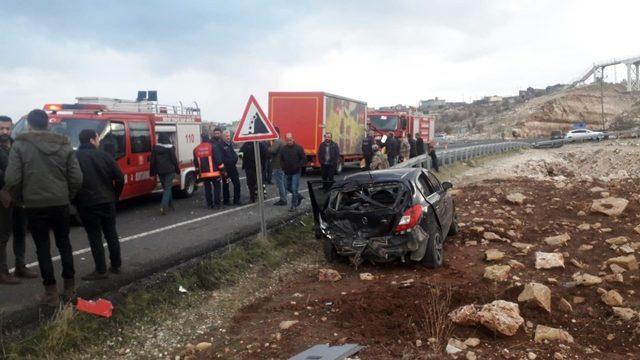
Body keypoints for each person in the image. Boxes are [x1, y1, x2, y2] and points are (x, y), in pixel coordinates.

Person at [1, 109, 83, 304]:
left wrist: (20, 198)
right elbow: (77, 178)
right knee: (64, 244)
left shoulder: (20, 145)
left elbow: (12, 179)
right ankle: (70, 288)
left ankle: (51, 292)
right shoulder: (64, 144)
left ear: (29, 125)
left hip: (34, 204)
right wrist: (67, 195)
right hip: (61, 202)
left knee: (43, 247)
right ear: (48, 124)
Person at [74, 129, 125, 280]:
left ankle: (101, 270)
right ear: (91, 140)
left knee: (95, 237)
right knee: (111, 233)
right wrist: (115, 195)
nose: (99, 141)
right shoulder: (104, 155)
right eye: (97, 138)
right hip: (107, 201)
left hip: (87, 203)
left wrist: (74, 200)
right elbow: (120, 178)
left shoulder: (74, 157)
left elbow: (70, 180)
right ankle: (116, 265)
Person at [0, 116, 37, 285]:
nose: (5, 132)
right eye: (1, 129)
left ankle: (20, 266)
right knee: (3, 235)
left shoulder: (15, 144)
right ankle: (2, 272)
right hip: (3, 198)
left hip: (20, 196)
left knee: (21, 231)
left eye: (8, 128)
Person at [150, 133, 180, 215]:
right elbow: (174, 160)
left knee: (166, 188)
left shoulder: (155, 148)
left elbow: (152, 162)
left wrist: (152, 174)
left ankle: (171, 205)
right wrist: (178, 170)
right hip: (170, 171)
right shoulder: (170, 148)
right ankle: (163, 206)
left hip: (160, 171)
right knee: (167, 188)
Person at [193, 134, 225, 209]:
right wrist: (223, 170)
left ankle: (209, 204)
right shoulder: (213, 147)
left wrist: (198, 175)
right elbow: (218, 160)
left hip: (204, 174)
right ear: (209, 139)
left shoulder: (196, 149)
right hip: (215, 173)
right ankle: (217, 204)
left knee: (207, 189)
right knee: (217, 189)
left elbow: (196, 163)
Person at [279, 133, 306, 211]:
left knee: (294, 189)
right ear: (285, 140)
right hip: (287, 172)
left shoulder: (299, 148)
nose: (289, 141)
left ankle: (293, 206)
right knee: (287, 187)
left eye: (290, 139)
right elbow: (281, 159)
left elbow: (304, 159)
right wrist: (283, 167)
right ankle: (299, 196)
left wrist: (298, 165)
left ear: (293, 139)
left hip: (296, 172)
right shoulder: (283, 149)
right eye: (287, 140)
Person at [219, 130, 242, 205]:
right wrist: (230, 161)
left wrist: (234, 159)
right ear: (223, 136)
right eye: (226, 136)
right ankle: (226, 201)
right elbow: (222, 158)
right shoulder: (221, 146)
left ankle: (236, 200)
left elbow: (234, 155)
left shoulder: (230, 144)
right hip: (226, 171)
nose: (228, 137)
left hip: (233, 169)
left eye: (229, 136)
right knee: (226, 185)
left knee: (237, 184)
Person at [269, 127, 287, 206]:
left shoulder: (277, 141)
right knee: (282, 183)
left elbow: (272, 150)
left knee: (280, 183)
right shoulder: (282, 141)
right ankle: (284, 198)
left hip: (278, 166)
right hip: (282, 165)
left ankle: (283, 200)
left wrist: (268, 147)